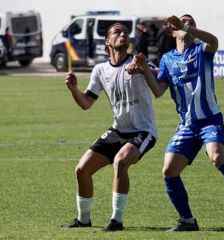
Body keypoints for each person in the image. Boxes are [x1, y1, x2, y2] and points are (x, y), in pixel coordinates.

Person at [132, 14, 224, 231]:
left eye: (191, 22)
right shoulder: (167, 59)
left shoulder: (202, 50)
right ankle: (187, 221)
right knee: (169, 171)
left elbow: (214, 41)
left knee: (217, 157)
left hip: (209, 119)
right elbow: (158, 91)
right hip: (187, 125)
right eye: (184, 22)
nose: (188, 25)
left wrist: (185, 27)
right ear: (171, 31)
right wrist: (145, 68)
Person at [62, 22, 157, 231]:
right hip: (117, 131)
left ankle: (116, 220)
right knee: (81, 170)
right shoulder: (100, 70)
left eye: (125, 32)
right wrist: (73, 89)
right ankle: (83, 220)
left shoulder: (138, 63)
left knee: (121, 162)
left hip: (142, 131)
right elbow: (86, 103)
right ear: (107, 42)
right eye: (117, 32)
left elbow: (161, 84)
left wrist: (144, 68)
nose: (123, 34)